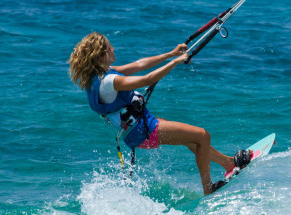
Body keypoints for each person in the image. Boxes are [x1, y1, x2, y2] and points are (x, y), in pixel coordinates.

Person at [68, 32, 251, 194]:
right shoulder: (109, 81)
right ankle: (208, 188)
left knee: (191, 139)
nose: (113, 49)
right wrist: (175, 62)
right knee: (202, 136)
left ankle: (228, 163)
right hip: (144, 131)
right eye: (109, 48)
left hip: (138, 131)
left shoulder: (95, 79)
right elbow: (147, 78)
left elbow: (139, 65)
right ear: (100, 56)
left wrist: (170, 54)